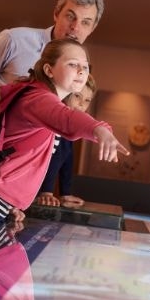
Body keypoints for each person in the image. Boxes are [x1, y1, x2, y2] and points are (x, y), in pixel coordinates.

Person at [0, 38, 129, 224]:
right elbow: (67, 118)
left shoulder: (37, 95)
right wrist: (99, 129)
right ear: (49, 70)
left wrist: (11, 203)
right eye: (72, 64)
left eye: (85, 66)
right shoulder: (39, 98)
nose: (81, 71)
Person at [0, 0, 104, 85]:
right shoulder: (14, 40)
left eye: (85, 22)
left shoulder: (80, 73)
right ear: (56, 14)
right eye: (70, 16)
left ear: (92, 28)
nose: (75, 27)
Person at [36, 74, 97, 208]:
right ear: (67, 93)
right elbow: (48, 159)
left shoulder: (69, 126)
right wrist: (46, 191)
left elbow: (66, 158)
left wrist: (66, 193)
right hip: (25, 189)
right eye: (77, 96)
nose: (82, 104)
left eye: (87, 100)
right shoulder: (51, 118)